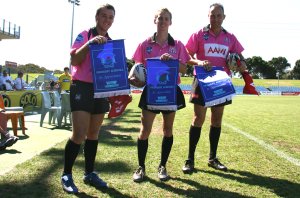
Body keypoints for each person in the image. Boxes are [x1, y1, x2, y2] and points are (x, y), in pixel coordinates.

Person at [182, 3, 251, 173]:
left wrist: (243, 68)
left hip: (221, 82)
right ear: (208, 16)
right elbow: (186, 55)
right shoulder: (199, 34)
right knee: (198, 119)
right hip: (202, 81)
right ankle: (190, 159)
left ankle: (212, 158)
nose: (216, 18)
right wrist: (199, 62)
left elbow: (240, 59)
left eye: (219, 15)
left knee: (217, 120)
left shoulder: (230, 37)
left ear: (224, 17)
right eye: (212, 15)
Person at [130, 8, 190, 182]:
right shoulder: (144, 44)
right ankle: (141, 167)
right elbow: (136, 70)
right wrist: (134, 80)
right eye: (160, 18)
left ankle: (162, 166)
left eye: (166, 19)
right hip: (152, 91)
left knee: (167, 130)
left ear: (170, 22)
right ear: (154, 21)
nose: (163, 21)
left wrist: (173, 61)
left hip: (170, 91)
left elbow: (185, 69)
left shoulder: (177, 44)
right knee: (145, 130)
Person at [61, 4, 115, 194]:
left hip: (100, 90)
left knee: (93, 134)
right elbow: (74, 61)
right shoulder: (85, 35)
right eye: (104, 16)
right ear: (97, 17)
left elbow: (112, 70)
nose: (107, 20)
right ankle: (66, 174)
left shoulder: (111, 43)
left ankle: (89, 173)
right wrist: (90, 44)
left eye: (110, 17)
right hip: (81, 87)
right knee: (79, 134)